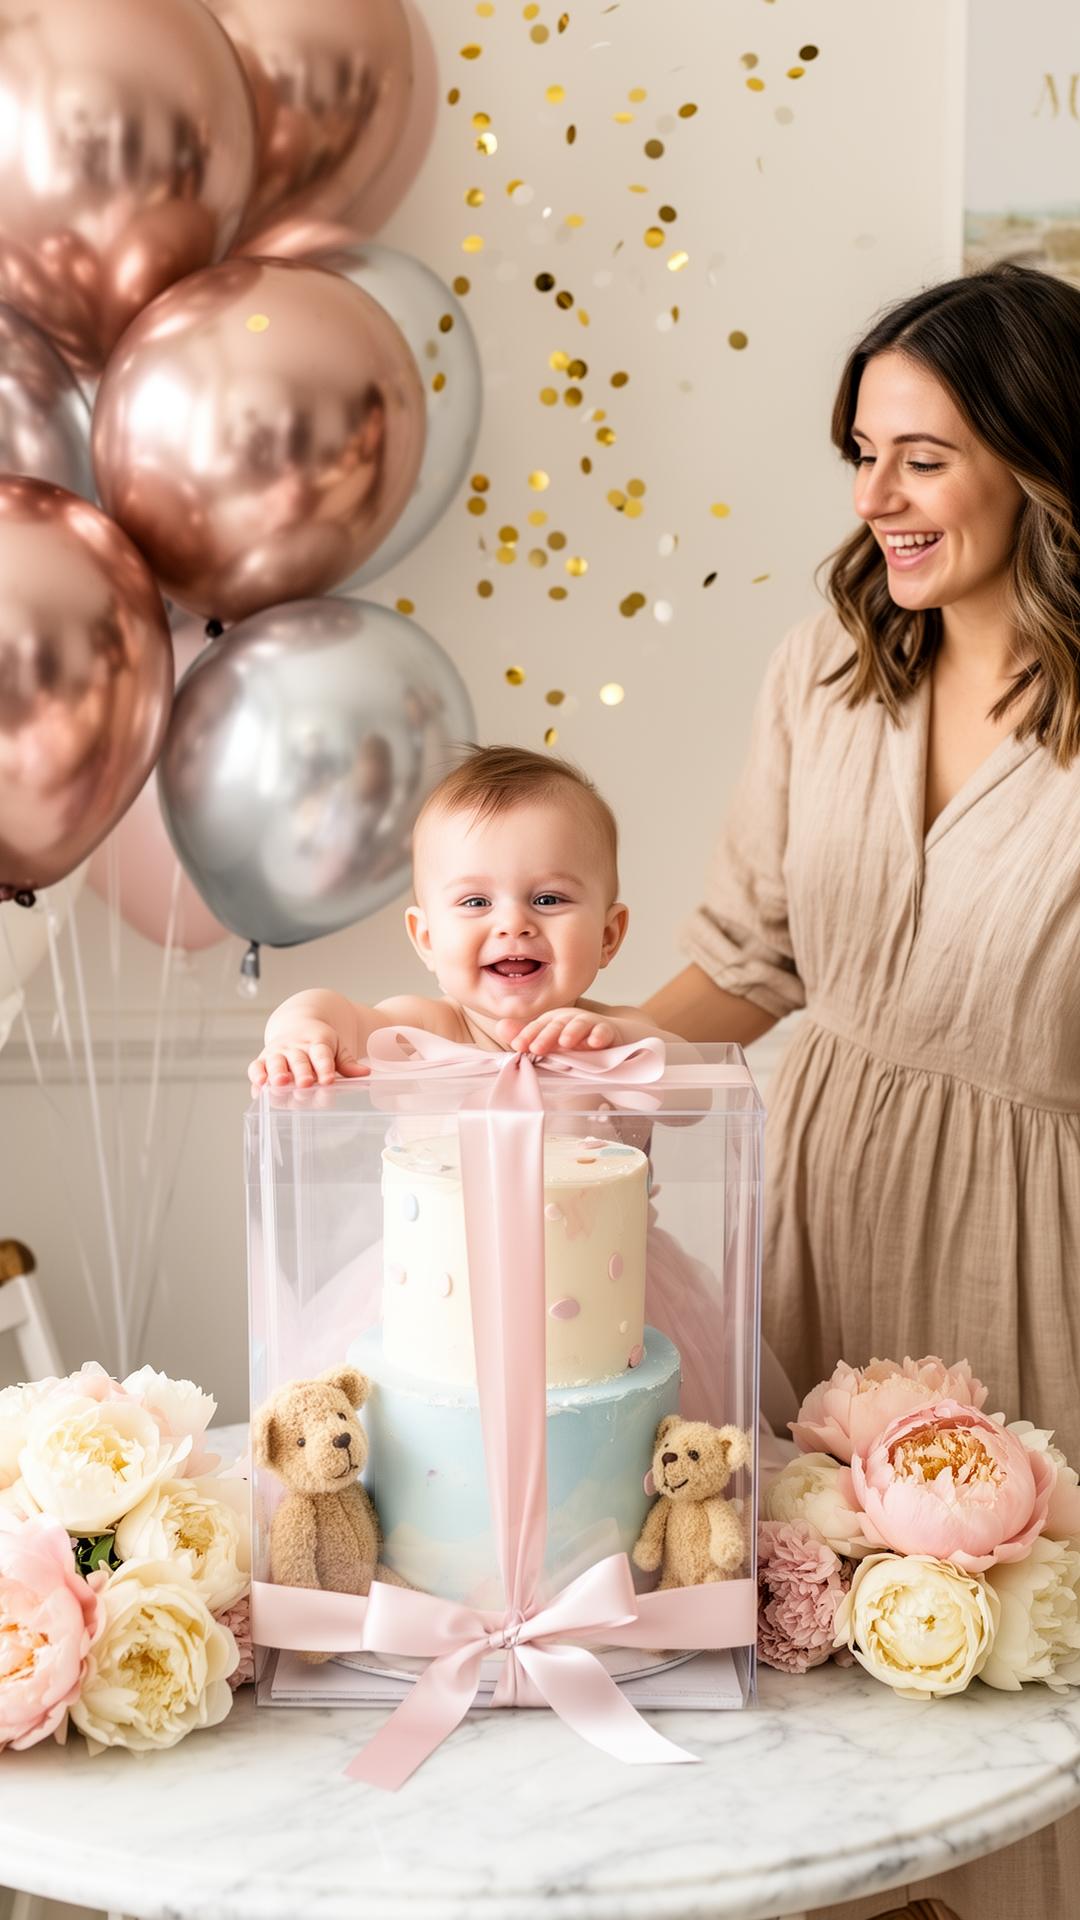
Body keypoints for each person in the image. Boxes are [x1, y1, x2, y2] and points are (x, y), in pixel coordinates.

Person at [645, 262, 1080, 1919]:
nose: (874, 499)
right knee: (813, 1659)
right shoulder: (832, 665)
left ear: (1039, 462)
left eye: (921, 455)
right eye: (863, 450)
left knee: (1005, 1681)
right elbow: (752, 960)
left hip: (1035, 1263)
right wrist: (572, 1052)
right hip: (818, 1222)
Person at [248, 744, 771, 1429]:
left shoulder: (613, 1034)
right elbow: (330, 1007)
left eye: (549, 898)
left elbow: (696, 1099)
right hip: (438, 1307)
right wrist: (302, 1032)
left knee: (623, 1450)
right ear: (426, 936)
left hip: (611, 1309)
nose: (513, 921)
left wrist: (623, 1049)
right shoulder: (424, 1028)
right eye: (475, 900)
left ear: (609, 934)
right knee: (418, 1442)